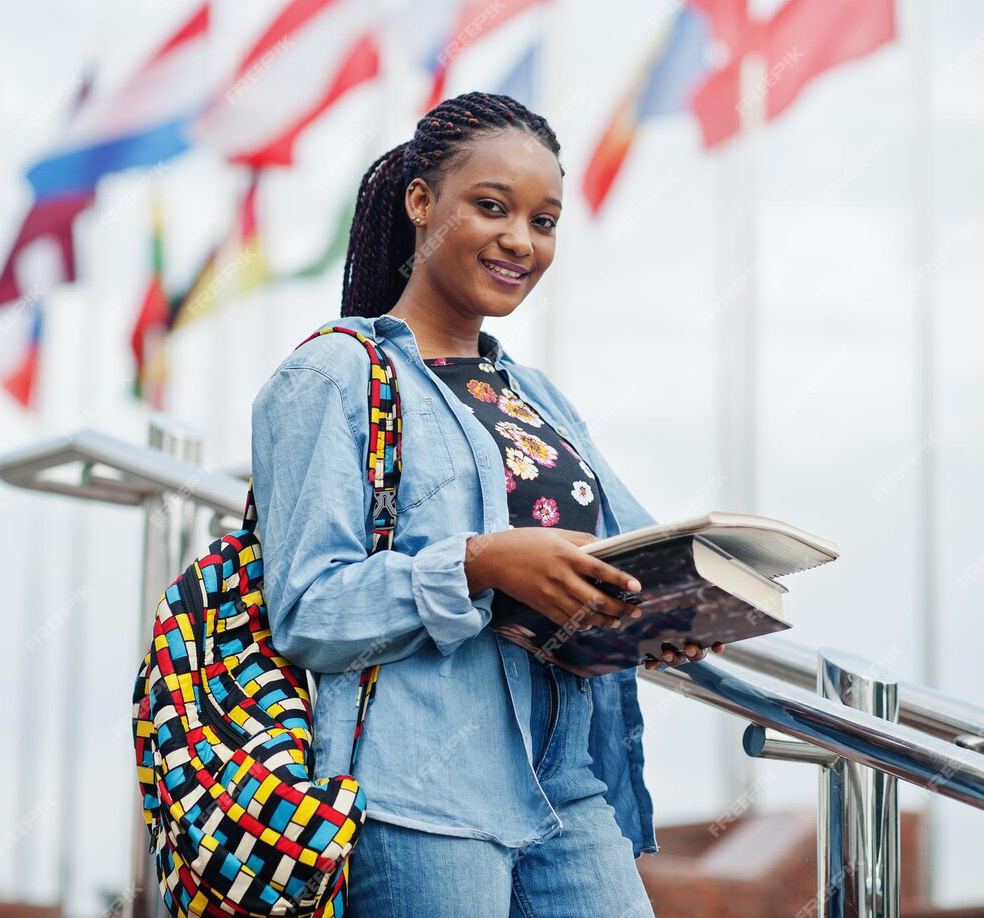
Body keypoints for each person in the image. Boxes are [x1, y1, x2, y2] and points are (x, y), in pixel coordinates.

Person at [250, 91, 723, 917]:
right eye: (493, 207)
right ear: (422, 202)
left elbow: (629, 546)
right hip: (413, 798)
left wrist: (668, 609)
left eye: (544, 221)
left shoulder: (535, 397)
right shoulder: (333, 378)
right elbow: (308, 610)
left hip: (568, 790)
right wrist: (480, 565)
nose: (521, 240)